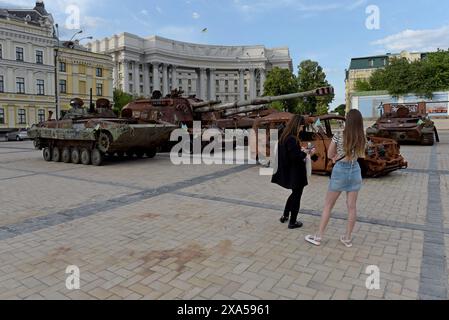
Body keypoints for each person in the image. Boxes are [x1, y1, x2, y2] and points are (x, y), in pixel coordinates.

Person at [305, 109, 366, 248]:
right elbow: (362, 155)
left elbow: (331, 153)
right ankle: (347, 238)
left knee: (328, 205)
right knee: (352, 207)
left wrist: (335, 157)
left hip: (340, 171)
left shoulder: (339, 135)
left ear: (348, 120)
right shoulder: (362, 136)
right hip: (355, 170)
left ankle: (319, 236)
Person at [272, 115, 314, 229]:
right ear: (297, 125)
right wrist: (306, 153)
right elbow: (295, 157)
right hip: (295, 173)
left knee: (294, 194)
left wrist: (301, 150)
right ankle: (293, 222)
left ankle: (285, 216)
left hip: (289, 172)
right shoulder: (291, 138)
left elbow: (290, 153)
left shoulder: (284, 137)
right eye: (301, 126)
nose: (302, 129)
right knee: (297, 196)